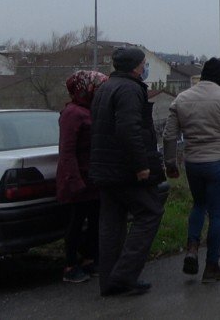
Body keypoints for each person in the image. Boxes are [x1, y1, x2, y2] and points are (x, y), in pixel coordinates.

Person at [89, 47, 165, 297]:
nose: (145, 68)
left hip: (104, 167)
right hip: (125, 168)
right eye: (144, 64)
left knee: (111, 224)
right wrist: (141, 164)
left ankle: (109, 281)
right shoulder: (130, 89)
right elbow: (129, 128)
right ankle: (125, 275)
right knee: (150, 212)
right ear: (135, 66)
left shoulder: (105, 87)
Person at [163, 57, 220, 283]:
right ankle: (212, 266)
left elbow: (169, 134)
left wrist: (170, 163)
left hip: (193, 163)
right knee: (217, 213)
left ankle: (192, 248)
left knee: (198, 205)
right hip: (218, 162)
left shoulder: (182, 98)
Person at [56, 70, 108, 283]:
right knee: (75, 224)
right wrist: (75, 180)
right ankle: (70, 266)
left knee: (95, 221)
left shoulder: (90, 110)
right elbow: (67, 151)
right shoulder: (73, 114)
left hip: (93, 178)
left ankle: (89, 259)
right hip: (76, 179)